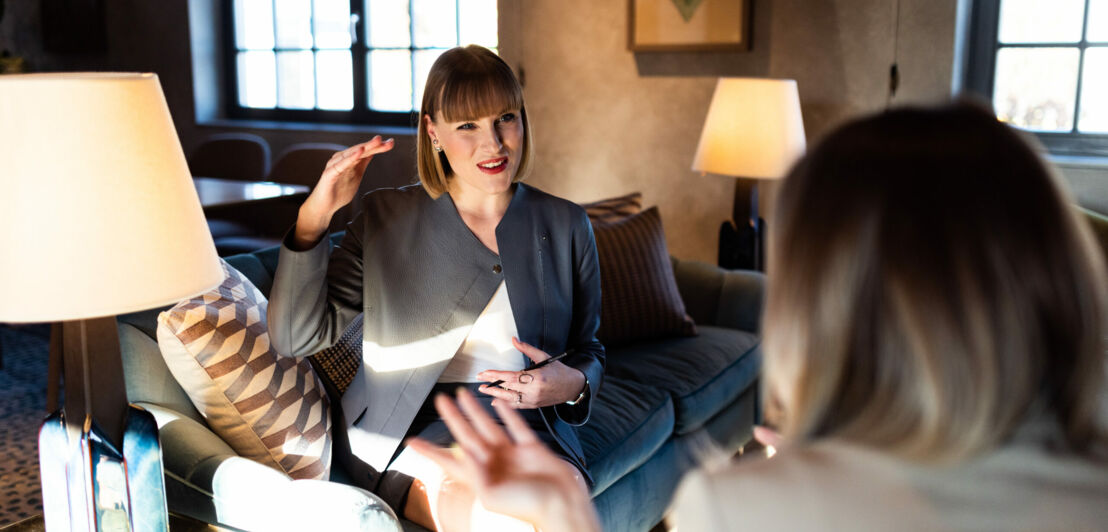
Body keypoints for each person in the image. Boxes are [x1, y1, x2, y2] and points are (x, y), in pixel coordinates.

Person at [411, 101, 1108, 530]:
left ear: (818, 300)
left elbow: (589, 350)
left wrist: (565, 519)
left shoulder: (744, 509)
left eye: (503, 118)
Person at [267, 45, 604, 531]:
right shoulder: (386, 218)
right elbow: (294, 338)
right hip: (412, 424)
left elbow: (589, 349)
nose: (493, 143)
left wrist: (571, 384)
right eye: (467, 125)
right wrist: (314, 217)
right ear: (432, 131)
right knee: (498, 519)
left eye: (504, 118)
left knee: (565, 505)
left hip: (533, 422)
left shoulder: (567, 223)